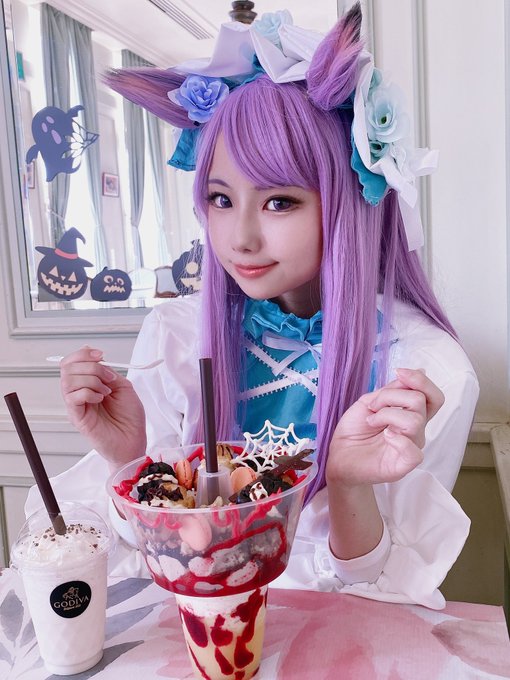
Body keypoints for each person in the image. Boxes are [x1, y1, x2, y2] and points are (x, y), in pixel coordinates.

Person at [26, 4, 478, 609]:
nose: (238, 237)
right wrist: (130, 461)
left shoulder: (422, 371)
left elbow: (378, 598)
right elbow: (160, 558)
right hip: (200, 631)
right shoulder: (178, 336)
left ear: (351, 201)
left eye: (279, 202)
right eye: (220, 198)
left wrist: (347, 484)